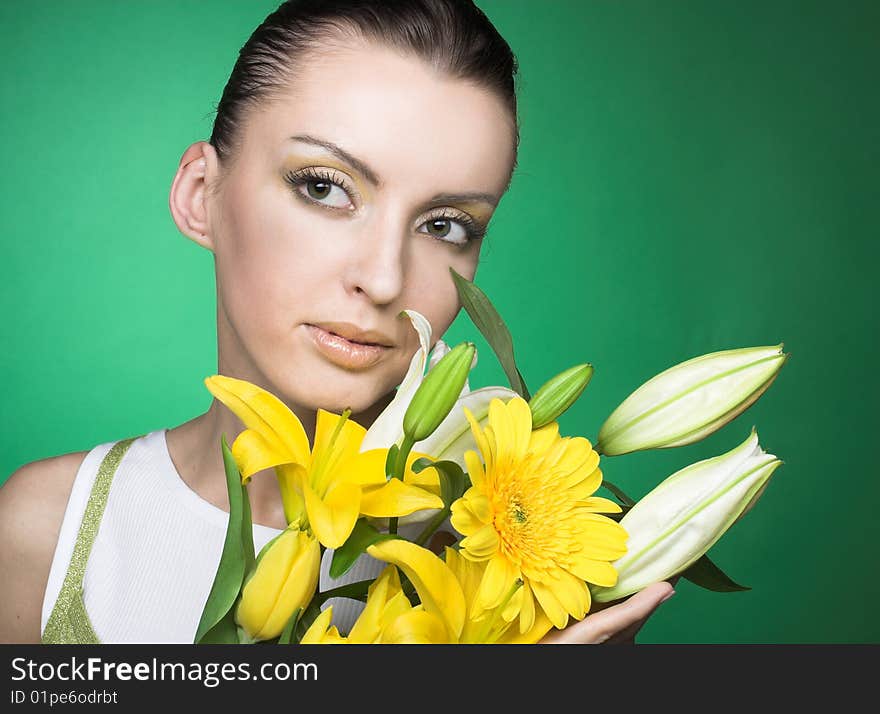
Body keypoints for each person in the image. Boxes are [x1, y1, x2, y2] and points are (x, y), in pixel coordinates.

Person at [0, 0, 673, 645]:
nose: (382, 280)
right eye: (323, 186)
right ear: (202, 196)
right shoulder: (44, 529)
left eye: (445, 226)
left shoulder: (509, 580)